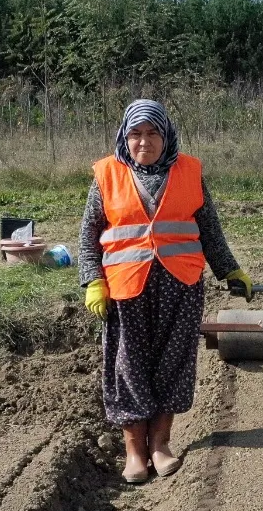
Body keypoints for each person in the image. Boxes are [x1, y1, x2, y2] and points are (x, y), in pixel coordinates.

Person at [79, 99, 254, 484]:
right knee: (128, 365)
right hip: (126, 286)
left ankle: (160, 443)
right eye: (136, 134)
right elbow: (89, 234)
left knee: (173, 361)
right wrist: (93, 280)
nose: (145, 141)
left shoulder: (189, 170)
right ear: (125, 137)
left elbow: (209, 228)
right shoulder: (107, 174)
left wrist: (230, 269)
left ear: (166, 135)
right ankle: (134, 450)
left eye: (153, 133)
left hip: (181, 283)